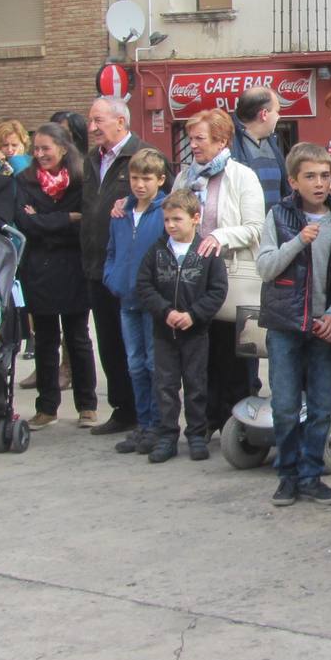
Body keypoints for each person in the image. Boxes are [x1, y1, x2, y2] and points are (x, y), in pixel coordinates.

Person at [257, 143, 331, 506]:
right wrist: (298, 241)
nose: (320, 184)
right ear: (293, 181)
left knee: (323, 406)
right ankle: (288, 474)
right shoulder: (278, 216)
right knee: (284, 405)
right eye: (310, 176)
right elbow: (265, 267)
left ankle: (312, 474)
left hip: (325, 326)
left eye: (326, 176)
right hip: (286, 325)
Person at [83, 97, 166, 437]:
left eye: (98, 120)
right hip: (103, 268)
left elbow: (164, 202)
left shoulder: (142, 155)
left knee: (146, 355)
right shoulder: (91, 160)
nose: (92, 127)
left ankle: (151, 419)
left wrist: (129, 200)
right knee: (112, 344)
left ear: (121, 121)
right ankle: (123, 409)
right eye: (90, 121)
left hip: (143, 280)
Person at [179, 108, 264, 437]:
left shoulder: (242, 176)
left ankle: (241, 426)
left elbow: (255, 228)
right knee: (203, 355)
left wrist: (219, 236)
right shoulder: (185, 177)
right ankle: (207, 421)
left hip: (232, 277)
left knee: (237, 358)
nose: (193, 145)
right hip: (194, 281)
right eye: (190, 139)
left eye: (200, 139)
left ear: (222, 140)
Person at [137, 190, 229, 464]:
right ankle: (167, 436)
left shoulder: (207, 253)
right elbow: (144, 285)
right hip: (164, 332)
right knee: (165, 385)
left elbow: (217, 290)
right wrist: (165, 311)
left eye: (177, 219)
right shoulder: (157, 251)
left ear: (195, 219)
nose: (171, 225)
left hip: (195, 333)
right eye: (167, 220)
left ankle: (197, 434)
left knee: (195, 384)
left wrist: (194, 315)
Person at [16, 124, 96, 429]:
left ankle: (87, 406)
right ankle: (46, 406)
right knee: (46, 340)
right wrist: (66, 218)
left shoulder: (81, 181)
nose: (40, 154)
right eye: (36, 149)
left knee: (78, 339)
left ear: (63, 148)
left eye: (46, 148)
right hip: (39, 269)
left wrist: (46, 221)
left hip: (74, 267)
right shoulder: (24, 181)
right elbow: (25, 223)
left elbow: (86, 222)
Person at [102, 149, 169, 456]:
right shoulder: (121, 213)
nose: (140, 185)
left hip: (153, 301)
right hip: (126, 297)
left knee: (155, 364)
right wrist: (111, 277)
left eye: (147, 178)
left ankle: (158, 425)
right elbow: (112, 251)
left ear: (160, 180)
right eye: (135, 178)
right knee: (135, 364)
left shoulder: (165, 211)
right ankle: (142, 424)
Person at [231, 86, 290, 211]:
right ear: (264, 114)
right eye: (277, 111)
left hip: (274, 227)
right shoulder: (228, 142)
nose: (278, 117)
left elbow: (286, 190)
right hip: (245, 228)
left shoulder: (272, 141)